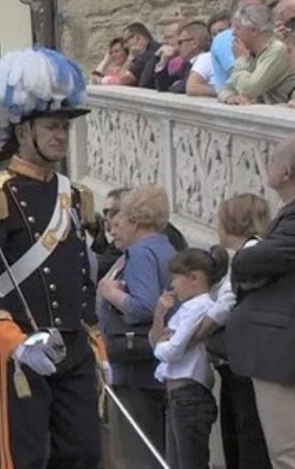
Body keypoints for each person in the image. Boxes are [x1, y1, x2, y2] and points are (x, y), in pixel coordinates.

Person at [0, 48, 103, 469]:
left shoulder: (72, 195)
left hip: (73, 345)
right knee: (24, 458)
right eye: (51, 126)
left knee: (83, 454)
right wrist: (16, 342)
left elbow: (81, 277)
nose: (60, 135)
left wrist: (98, 346)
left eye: (63, 127)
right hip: (20, 348)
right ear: (23, 132)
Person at [227, 135, 295, 468]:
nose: (269, 164)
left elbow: (248, 263)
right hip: (286, 354)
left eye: (273, 159)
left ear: (287, 172)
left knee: (293, 456)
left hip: (288, 356)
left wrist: (247, 256)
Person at [96, 185, 176, 468]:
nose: (116, 229)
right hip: (152, 363)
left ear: (136, 220)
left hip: (134, 368)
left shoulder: (141, 253)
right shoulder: (165, 248)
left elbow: (145, 306)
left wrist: (109, 292)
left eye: (123, 220)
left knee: (136, 453)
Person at [194, 195, 273, 469]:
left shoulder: (249, 256)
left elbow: (226, 304)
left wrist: (195, 333)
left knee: (246, 439)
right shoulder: (254, 252)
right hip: (246, 361)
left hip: (245, 365)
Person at [151, 248, 229, 469]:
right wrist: (159, 317)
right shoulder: (187, 309)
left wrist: (162, 345)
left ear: (194, 278)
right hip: (177, 395)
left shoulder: (199, 307)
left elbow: (174, 349)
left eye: (176, 278)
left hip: (189, 395)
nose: (173, 285)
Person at [219, 3, 295, 105]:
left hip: (280, 115)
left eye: (238, 28)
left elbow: (250, 90)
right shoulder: (250, 52)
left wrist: (240, 60)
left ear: (253, 30)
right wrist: (230, 97)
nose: (233, 33)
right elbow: (225, 87)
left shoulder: (277, 50)